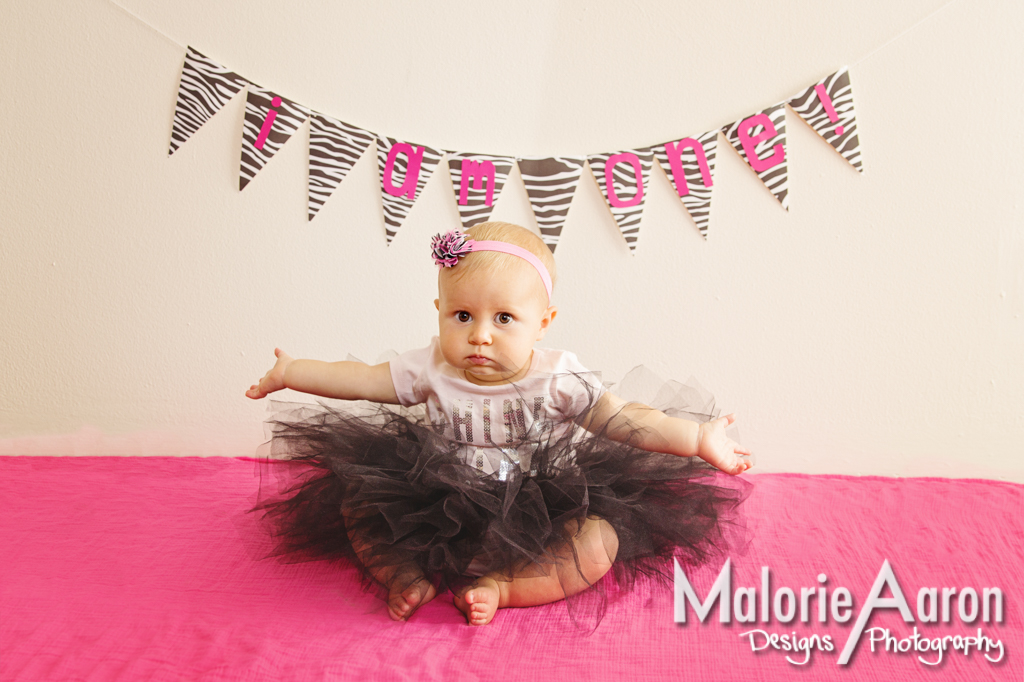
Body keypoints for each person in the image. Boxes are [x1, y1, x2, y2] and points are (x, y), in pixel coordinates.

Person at [246, 221, 752, 627]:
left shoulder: (557, 376)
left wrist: (695, 437)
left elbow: (621, 418)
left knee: (598, 543)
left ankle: (503, 586)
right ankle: (404, 575)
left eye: (504, 318)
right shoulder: (431, 368)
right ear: (440, 311)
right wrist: (293, 372)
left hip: (536, 513)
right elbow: (360, 379)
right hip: (436, 502)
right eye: (463, 315)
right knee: (357, 500)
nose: (480, 335)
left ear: (543, 323)